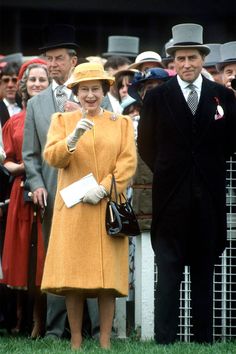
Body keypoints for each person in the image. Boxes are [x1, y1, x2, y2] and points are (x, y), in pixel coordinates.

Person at [137, 23, 236, 345]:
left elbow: (231, 141)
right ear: (172, 62)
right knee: (168, 268)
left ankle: (203, 339)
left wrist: (206, 168)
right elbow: (146, 146)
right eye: (180, 59)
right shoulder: (157, 98)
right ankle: (165, 339)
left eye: (192, 58)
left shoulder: (222, 96)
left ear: (202, 59)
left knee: (204, 268)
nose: (187, 64)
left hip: (208, 195)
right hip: (170, 198)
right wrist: (169, 170)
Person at [41, 62, 137, 350]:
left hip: (106, 209)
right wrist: (72, 139)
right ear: (76, 92)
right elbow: (52, 158)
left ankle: (105, 340)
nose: (90, 95)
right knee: (74, 279)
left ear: (105, 91)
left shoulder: (120, 123)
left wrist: (105, 187)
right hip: (74, 211)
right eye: (85, 89)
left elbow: (128, 162)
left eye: (96, 88)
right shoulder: (62, 121)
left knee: (107, 281)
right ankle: (76, 340)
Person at [22, 24, 80, 340]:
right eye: (49, 59)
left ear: (74, 60)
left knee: (88, 258)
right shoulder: (35, 103)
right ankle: (56, 330)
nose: (53, 64)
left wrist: (84, 110)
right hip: (51, 194)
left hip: (87, 192)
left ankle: (96, 328)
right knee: (55, 261)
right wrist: (36, 184)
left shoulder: (93, 92)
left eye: (59, 58)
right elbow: (30, 155)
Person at [0, 58, 50, 337]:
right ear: (23, 86)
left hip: (48, 190)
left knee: (43, 253)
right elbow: (7, 162)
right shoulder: (14, 122)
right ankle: (20, 319)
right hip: (21, 192)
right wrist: (26, 167)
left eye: (42, 79)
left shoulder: (57, 118)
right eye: (32, 80)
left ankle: (41, 321)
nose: (37, 84)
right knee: (21, 254)